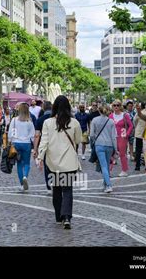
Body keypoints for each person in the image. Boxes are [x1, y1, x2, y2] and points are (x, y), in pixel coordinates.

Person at [37, 95, 82, 230]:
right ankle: (67, 216)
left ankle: (58, 216)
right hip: (69, 162)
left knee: (56, 189)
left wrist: (40, 157)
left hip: (53, 162)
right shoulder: (74, 123)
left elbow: (44, 141)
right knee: (67, 189)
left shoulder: (48, 123)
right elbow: (78, 140)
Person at [8, 102, 36, 192]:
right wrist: (35, 147)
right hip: (26, 144)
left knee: (19, 164)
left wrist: (10, 141)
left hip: (16, 143)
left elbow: (10, 132)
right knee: (27, 163)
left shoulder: (14, 120)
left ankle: (21, 183)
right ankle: (25, 176)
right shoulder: (29, 121)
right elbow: (33, 135)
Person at [90, 104, 117, 193]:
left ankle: (108, 185)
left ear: (99, 111)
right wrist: (116, 149)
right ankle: (105, 184)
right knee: (106, 166)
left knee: (104, 166)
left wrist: (93, 143)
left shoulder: (94, 120)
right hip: (109, 145)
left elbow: (91, 135)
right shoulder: (111, 121)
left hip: (99, 145)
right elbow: (114, 137)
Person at [33, 100, 52, 195]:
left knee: (47, 166)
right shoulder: (56, 118)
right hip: (56, 145)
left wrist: (35, 149)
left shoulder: (40, 120)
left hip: (44, 146)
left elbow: (37, 135)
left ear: (43, 108)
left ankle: (49, 186)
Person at [109, 100, 133, 177]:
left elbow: (131, 126)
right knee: (111, 154)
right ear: (112, 107)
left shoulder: (125, 115)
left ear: (120, 106)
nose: (116, 107)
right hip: (113, 137)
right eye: (114, 105)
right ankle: (109, 170)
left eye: (118, 105)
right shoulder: (110, 116)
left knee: (122, 154)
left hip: (122, 137)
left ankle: (124, 170)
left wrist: (127, 134)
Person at [133, 102, 146, 171]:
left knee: (138, 150)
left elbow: (134, 121)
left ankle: (137, 166)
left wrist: (136, 128)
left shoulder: (139, 113)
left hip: (138, 133)